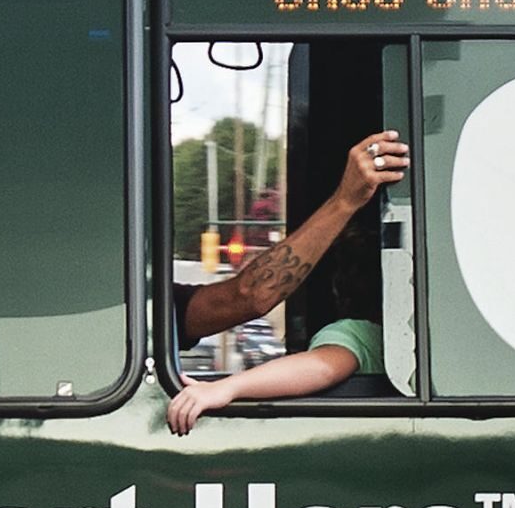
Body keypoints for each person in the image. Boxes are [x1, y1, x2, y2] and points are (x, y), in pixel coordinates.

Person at [168, 130, 404, 433]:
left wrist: (226, 387)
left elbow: (321, 366)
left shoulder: (363, 338)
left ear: (339, 287)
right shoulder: (380, 341)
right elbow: (318, 364)